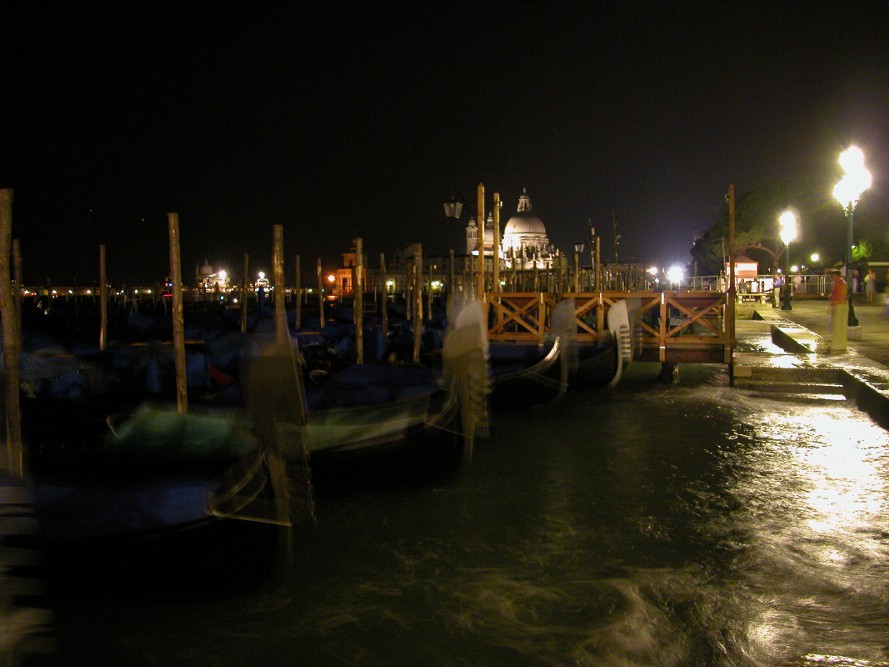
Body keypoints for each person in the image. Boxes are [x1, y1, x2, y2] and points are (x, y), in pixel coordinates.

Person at [828, 270, 848, 352]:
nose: (832, 278)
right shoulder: (840, 283)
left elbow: (842, 296)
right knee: (839, 326)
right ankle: (840, 344)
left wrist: (834, 303)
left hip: (839, 306)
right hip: (839, 305)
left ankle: (837, 345)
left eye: (833, 276)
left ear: (836, 276)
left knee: (838, 326)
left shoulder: (841, 283)